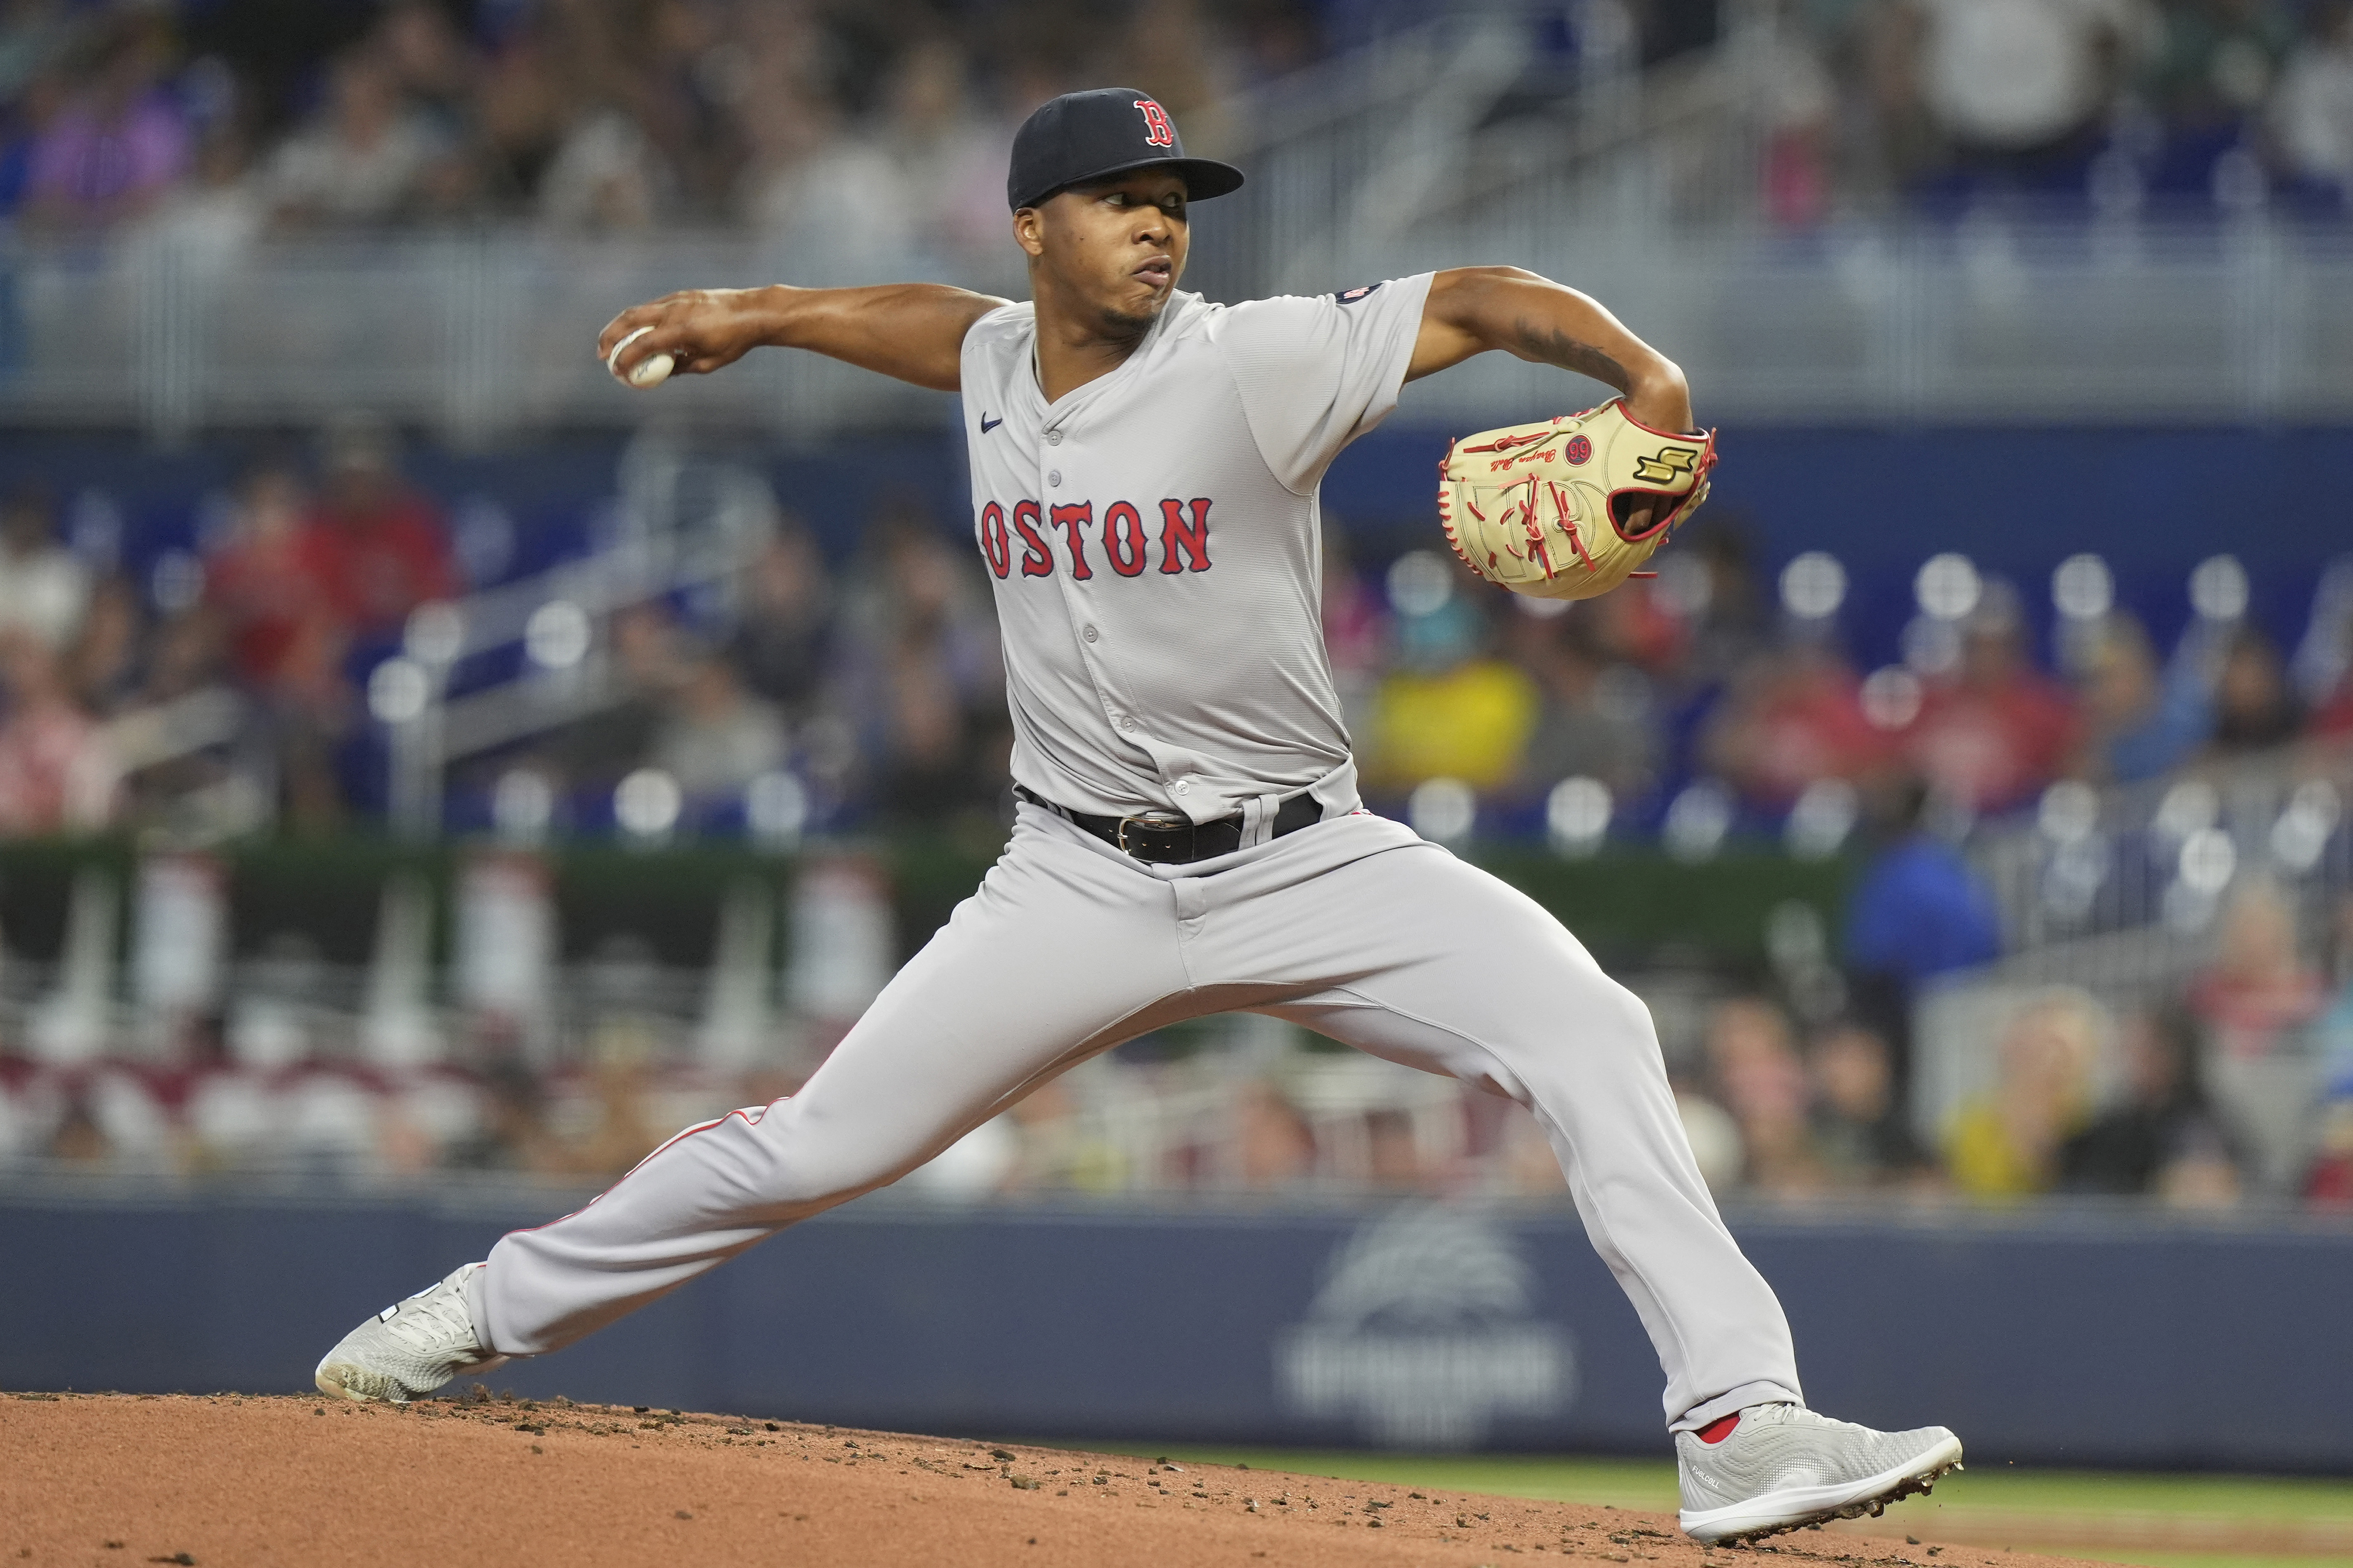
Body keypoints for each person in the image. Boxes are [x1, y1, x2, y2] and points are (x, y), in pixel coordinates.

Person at [313, 88, 1960, 1546]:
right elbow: (928, 323)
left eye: (1174, 207)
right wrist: (760, 312)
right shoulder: (987, 359)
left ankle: (1738, 1429)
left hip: (1311, 860)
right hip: (1072, 882)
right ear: (1037, 228)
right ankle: (470, 1314)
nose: (1160, 230)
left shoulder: (1256, 361)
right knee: (817, 1144)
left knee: (1589, 1029)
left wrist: (1646, 373)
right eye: (1123, 204)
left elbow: (1474, 298)